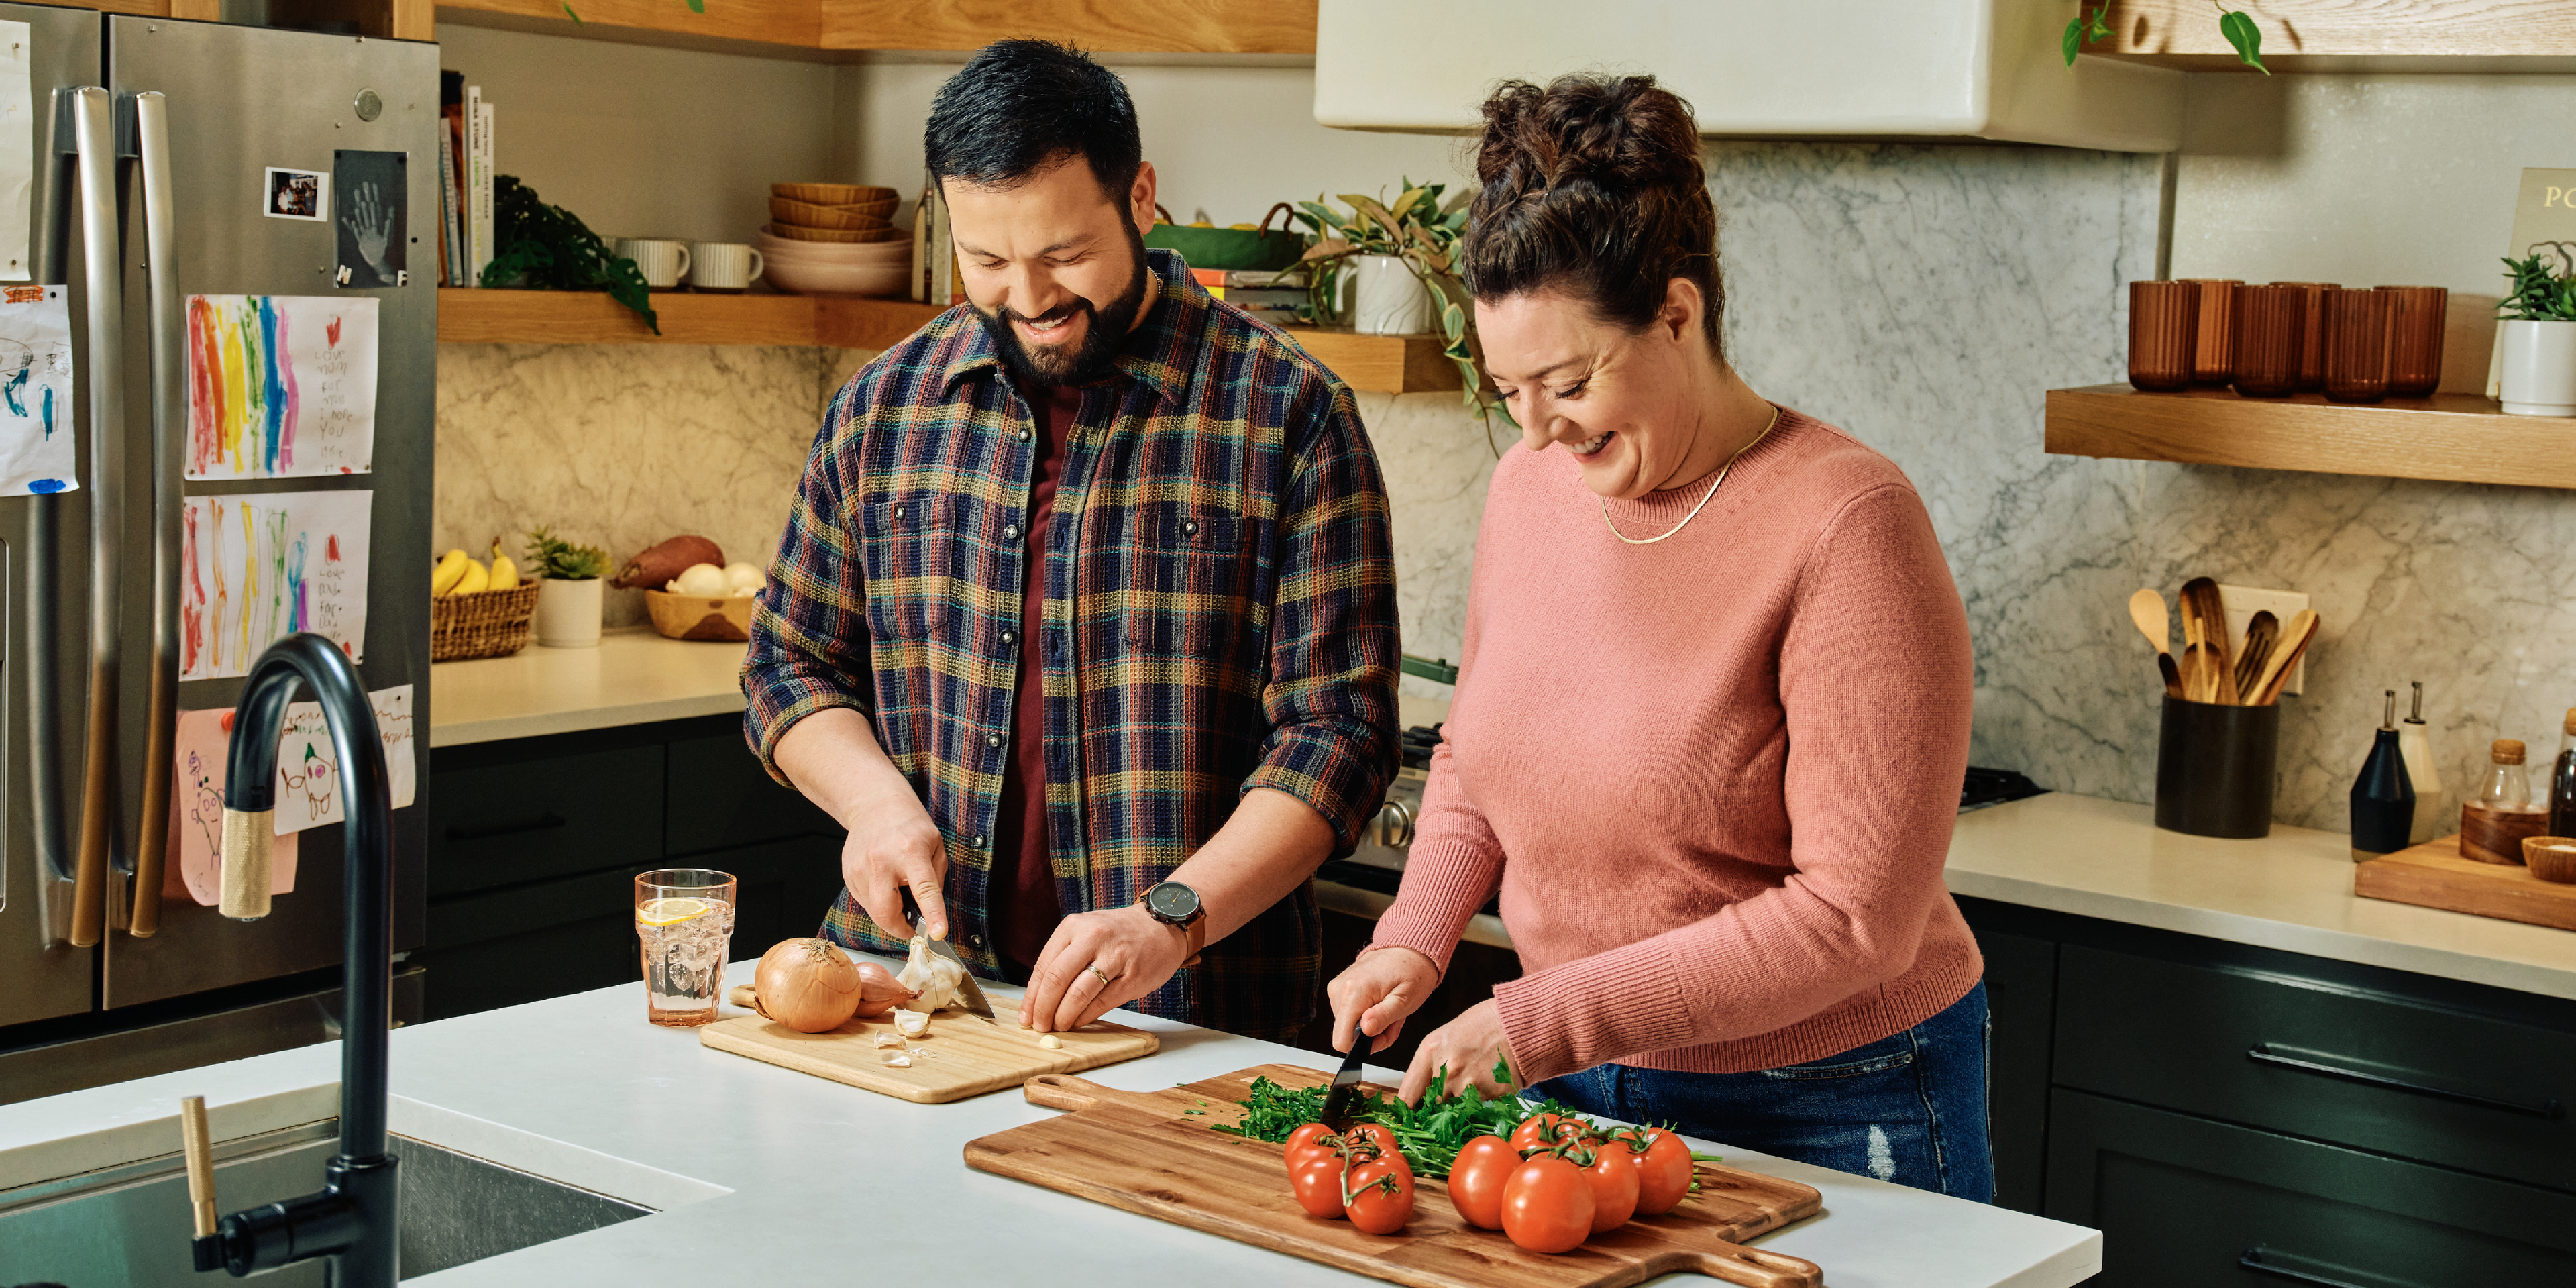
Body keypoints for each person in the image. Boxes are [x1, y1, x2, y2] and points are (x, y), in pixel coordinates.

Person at [1322, 74, 1990, 1200]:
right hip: (1577, 1090)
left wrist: (1538, 1022)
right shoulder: (1530, 491)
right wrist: (1413, 936)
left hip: (1828, 1095)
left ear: (1677, 314)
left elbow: (1854, 919)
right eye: (1507, 389)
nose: (1534, 430)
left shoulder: (1848, 524)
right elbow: (1479, 764)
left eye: (1568, 382)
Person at [742, 40, 1399, 1044]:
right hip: (915, 1000)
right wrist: (876, 806)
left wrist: (1170, 920)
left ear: (1140, 197)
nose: (1030, 297)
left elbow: (1338, 739)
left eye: (1064, 255)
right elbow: (790, 663)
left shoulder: (1289, 415)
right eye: (987, 260)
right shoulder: (883, 408)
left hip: (1186, 1013)